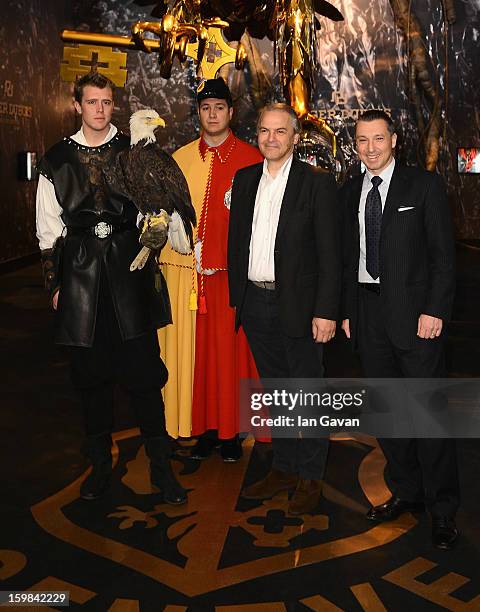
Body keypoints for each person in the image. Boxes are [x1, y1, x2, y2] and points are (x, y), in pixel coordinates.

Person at [36, 71, 186, 505]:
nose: (100, 110)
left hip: (130, 275)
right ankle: (100, 469)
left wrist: (152, 226)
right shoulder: (56, 160)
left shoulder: (134, 151)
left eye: (106, 102)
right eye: (92, 102)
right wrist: (55, 286)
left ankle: (162, 470)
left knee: (144, 377)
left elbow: (149, 210)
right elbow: (48, 234)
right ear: (77, 106)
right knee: (91, 380)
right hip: (81, 280)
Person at [340, 109, 459, 549]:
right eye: (362, 140)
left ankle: (444, 511)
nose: (369, 148)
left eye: (378, 139)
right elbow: (347, 257)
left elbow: (444, 259)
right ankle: (407, 493)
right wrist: (349, 311)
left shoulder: (422, 186)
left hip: (416, 319)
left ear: (394, 141)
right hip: (368, 317)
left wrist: (434, 311)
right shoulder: (349, 190)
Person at [228, 103, 341, 515]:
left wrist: (326, 311)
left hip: (301, 306)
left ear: (295, 137)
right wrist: (238, 296)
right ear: (256, 135)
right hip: (255, 303)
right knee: (276, 390)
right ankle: (285, 466)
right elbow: (238, 240)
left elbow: (331, 255)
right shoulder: (243, 181)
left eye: (280, 132)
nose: (271, 139)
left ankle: (310, 476)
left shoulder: (316, 183)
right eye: (264, 131)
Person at [158, 78, 263, 460]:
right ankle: (202, 429)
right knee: (197, 359)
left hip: (234, 280)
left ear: (231, 112)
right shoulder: (181, 158)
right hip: (190, 278)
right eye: (206, 108)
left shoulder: (252, 159)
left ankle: (231, 432)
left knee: (231, 358)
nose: (213, 114)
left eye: (219, 107)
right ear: (198, 113)